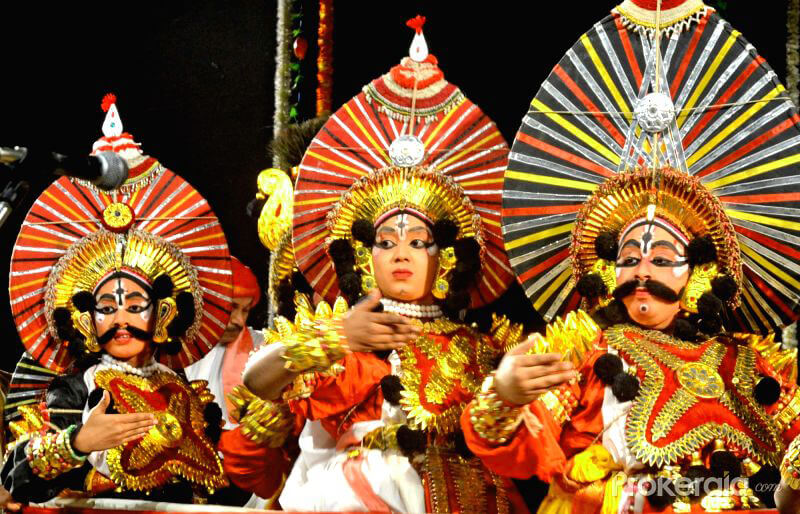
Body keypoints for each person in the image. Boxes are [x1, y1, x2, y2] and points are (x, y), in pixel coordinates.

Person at [223, 17, 541, 513]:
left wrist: (505, 392)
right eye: (386, 241)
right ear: (363, 254)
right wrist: (336, 339)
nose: (401, 252)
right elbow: (257, 381)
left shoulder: (479, 349)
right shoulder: (341, 336)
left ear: (447, 256)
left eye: (419, 242)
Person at [462, 167, 800, 512]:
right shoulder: (584, 348)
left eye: (661, 259)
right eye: (630, 259)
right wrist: (504, 397)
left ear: (696, 271)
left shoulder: (741, 359)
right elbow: (524, 446)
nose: (642, 271)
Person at [1, 95, 234, 505]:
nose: (121, 319)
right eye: (106, 308)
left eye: (135, 306)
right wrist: (78, 442)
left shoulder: (180, 390)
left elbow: (217, 488)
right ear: (85, 320)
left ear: (163, 313)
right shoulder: (74, 390)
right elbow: (14, 482)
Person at [185, 256, 264, 429]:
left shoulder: (263, 347)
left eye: (245, 310)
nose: (239, 320)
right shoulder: (176, 348)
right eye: (232, 307)